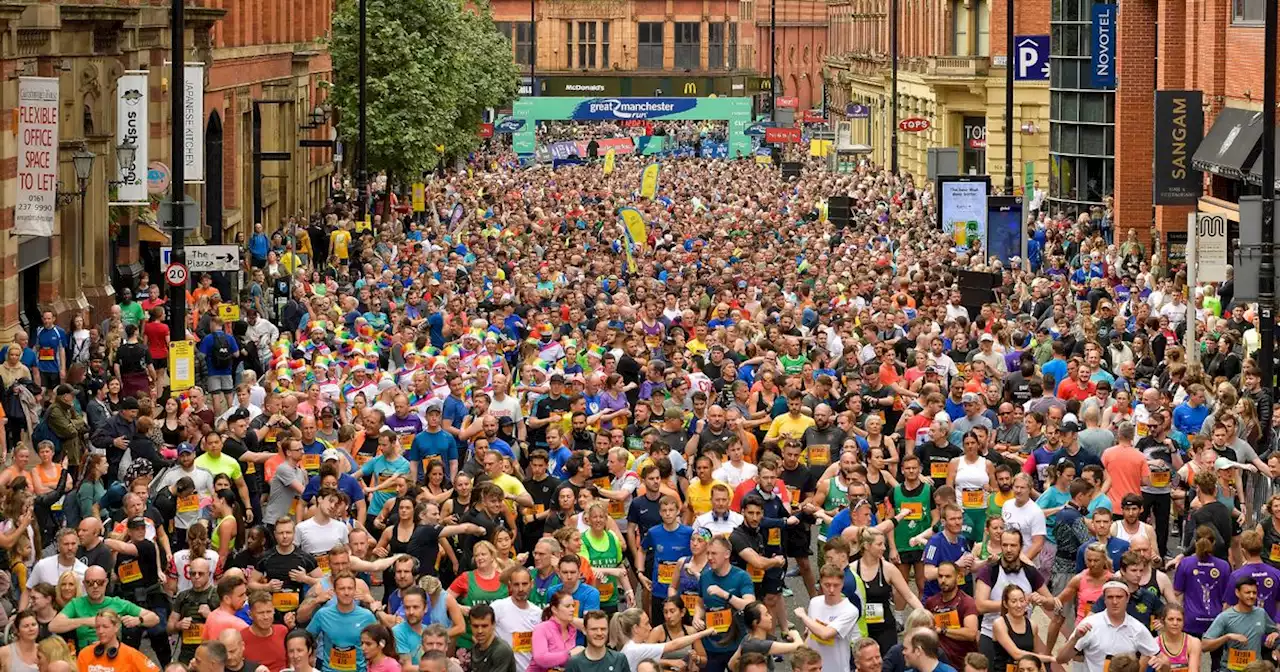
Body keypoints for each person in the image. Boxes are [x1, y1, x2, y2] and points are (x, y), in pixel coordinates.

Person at [1054, 582, 1159, 672]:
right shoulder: (1090, 624)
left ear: (1127, 598)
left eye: (1119, 597)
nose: (1114, 602)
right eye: (1110, 597)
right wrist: (1075, 639)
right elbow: (1060, 659)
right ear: (1104, 600)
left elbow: (1159, 657)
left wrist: (1162, 663)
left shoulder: (1137, 628)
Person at [1202, 577, 1280, 672]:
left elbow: (1275, 632)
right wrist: (1227, 637)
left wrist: (1275, 634)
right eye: (1247, 592)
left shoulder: (1261, 613)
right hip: (1229, 670)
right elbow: (1204, 646)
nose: (1251, 596)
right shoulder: (1225, 617)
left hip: (1255, 670)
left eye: (1254, 593)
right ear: (1237, 593)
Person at [794, 563, 861, 671]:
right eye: (827, 585)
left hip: (836, 668)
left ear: (842, 584)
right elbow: (811, 635)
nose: (831, 590)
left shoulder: (850, 610)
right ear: (820, 583)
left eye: (836, 585)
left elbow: (825, 634)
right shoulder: (814, 603)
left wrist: (803, 616)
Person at [305, 572, 377, 672]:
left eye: (350, 588)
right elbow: (306, 638)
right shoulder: (323, 614)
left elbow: (379, 643)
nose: (346, 592)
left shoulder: (367, 616)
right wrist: (311, 657)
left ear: (355, 590)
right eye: (342, 588)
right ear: (335, 591)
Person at [606, 608, 714, 672]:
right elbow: (674, 645)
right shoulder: (634, 649)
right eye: (646, 623)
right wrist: (705, 632)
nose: (650, 627)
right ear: (635, 628)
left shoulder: (632, 647)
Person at [926, 561, 980, 664]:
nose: (943, 580)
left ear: (957, 577)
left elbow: (971, 633)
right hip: (938, 662)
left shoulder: (967, 602)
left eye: (948, 576)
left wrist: (942, 630)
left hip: (962, 662)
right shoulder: (931, 602)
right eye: (940, 576)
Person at [725, 601, 803, 672]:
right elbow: (799, 646)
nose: (771, 617)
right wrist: (795, 634)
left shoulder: (747, 638)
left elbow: (731, 665)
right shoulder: (758, 645)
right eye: (766, 614)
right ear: (756, 622)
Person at [490, 567, 541, 672]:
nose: (521, 589)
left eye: (524, 584)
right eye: (516, 584)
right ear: (510, 585)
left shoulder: (538, 613)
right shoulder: (498, 607)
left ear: (531, 584)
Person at [74, 610, 160, 672]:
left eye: (105, 627)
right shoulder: (85, 654)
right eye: (97, 627)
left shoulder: (131, 655)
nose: (100, 631)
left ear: (116, 627)